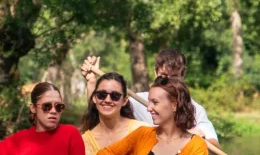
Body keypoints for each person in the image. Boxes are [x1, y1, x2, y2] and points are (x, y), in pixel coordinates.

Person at [80, 49, 220, 149]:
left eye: (174, 77)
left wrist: (190, 137)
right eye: (163, 76)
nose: (168, 83)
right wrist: (91, 82)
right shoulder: (137, 101)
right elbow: (100, 111)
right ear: (155, 72)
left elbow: (214, 146)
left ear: (183, 74)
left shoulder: (195, 109)